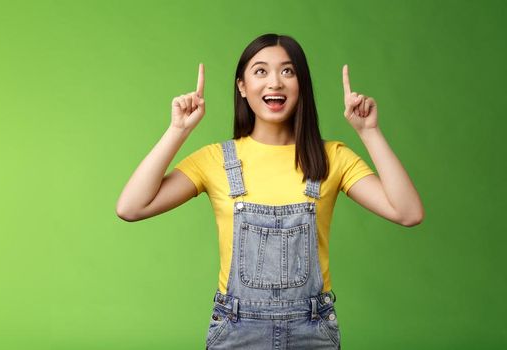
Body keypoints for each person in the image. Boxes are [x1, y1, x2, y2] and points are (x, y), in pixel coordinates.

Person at [115, 33, 424, 349]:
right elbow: (131, 207)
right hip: (236, 333)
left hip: (312, 332)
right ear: (242, 86)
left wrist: (369, 132)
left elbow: (408, 212)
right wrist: (178, 130)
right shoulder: (216, 160)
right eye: (260, 71)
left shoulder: (333, 158)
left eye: (287, 71)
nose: (275, 82)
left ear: (301, 84)